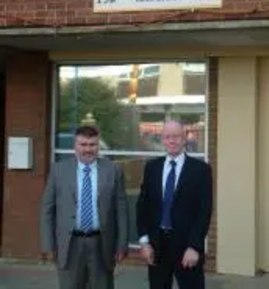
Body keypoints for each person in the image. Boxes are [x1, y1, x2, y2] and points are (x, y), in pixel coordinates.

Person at [40, 125, 129, 289]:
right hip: (69, 245)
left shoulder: (114, 170)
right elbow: (47, 210)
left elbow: (121, 211)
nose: (88, 149)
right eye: (83, 144)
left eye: (92, 144)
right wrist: (48, 244)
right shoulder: (58, 170)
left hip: (102, 245)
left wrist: (122, 244)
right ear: (75, 146)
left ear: (98, 146)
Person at [136, 120, 213, 289]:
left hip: (187, 247)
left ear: (184, 138)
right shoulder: (152, 168)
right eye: (167, 137)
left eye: (177, 136)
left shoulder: (201, 170)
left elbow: (204, 211)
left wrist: (194, 246)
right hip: (157, 246)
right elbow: (143, 207)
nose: (172, 141)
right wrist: (144, 241)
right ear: (162, 140)